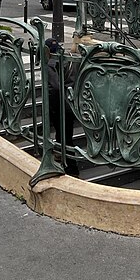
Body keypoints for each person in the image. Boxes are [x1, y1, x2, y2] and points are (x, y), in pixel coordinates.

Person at [45, 37, 80, 177]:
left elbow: (55, 87)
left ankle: (71, 168)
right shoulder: (70, 58)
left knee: (65, 136)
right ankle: (60, 154)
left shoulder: (51, 63)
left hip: (60, 104)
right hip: (71, 101)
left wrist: (52, 105)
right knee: (66, 133)